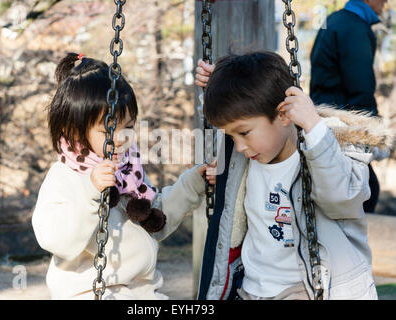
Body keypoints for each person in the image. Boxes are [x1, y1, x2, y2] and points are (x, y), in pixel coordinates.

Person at [194, 51, 392, 300]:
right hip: (252, 288)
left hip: (307, 289)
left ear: (284, 114)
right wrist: (222, 85)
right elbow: (248, 105)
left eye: (244, 133)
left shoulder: (325, 153)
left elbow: (342, 198)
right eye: (232, 137)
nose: (240, 146)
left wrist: (315, 128)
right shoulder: (248, 156)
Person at [32, 53, 214, 300]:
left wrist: (192, 183)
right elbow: (57, 240)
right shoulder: (64, 177)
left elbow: (154, 220)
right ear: (74, 130)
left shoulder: (128, 171)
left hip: (143, 292)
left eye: (128, 127)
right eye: (108, 130)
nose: (120, 139)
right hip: (88, 294)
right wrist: (91, 191)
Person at [310, 0, 388, 213]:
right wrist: (374, 133)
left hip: (323, 118)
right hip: (343, 125)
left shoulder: (333, 20)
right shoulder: (354, 28)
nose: (386, 2)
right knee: (367, 190)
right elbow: (361, 86)